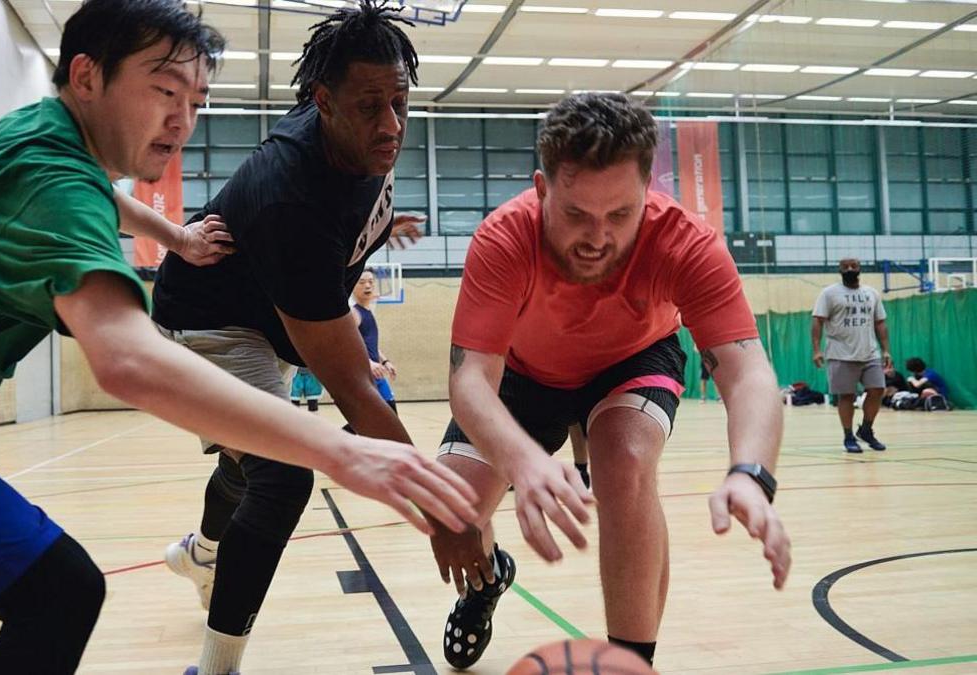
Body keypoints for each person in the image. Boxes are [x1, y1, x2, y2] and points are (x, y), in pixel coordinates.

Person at [0, 3, 477, 674]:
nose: (182, 120)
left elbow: (102, 196)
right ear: (87, 76)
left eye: (197, 100)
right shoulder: (57, 182)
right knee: (61, 591)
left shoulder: (44, 138)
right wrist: (346, 450)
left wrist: (172, 234)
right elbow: (126, 358)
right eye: (163, 90)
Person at [429, 93, 791, 670]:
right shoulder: (502, 239)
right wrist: (522, 460)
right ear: (542, 189)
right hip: (525, 374)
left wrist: (751, 475)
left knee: (624, 464)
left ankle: (631, 660)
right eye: (577, 214)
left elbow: (748, 371)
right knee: (450, 514)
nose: (598, 236)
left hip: (632, 360)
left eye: (620, 215)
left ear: (648, 192)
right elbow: (471, 377)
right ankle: (487, 580)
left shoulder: (687, 244)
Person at [147, 3, 435, 673]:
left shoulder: (365, 130)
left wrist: (388, 227)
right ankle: (215, 667)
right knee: (282, 471)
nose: (391, 125)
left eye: (401, 102)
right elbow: (358, 396)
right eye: (371, 107)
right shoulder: (290, 197)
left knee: (242, 457)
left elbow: (349, 215)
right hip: (208, 320)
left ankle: (203, 554)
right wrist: (446, 509)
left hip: (265, 314)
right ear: (322, 102)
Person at [812, 258, 892, 452]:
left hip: (870, 352)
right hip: (841, 353)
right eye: (845, 266)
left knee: (877, 390)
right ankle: (848, 436)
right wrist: (816, 350)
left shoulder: (871, 293)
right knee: (846, 396)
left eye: (853, 266)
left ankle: (866, 429)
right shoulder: (829, 293)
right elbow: (818, 321)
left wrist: (886, 349)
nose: (849, 269)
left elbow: (880, 322)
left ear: (860, 269)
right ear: (839, 270)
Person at [352, 267, 400, 412]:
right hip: (363, 375)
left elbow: (370, 344)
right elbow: (348, 346)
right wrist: (368, 363)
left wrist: (385, 361)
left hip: (376, 373)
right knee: (371, 419)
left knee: (388, 414)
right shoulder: (354, 313)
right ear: (353, 286)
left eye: (371, 282)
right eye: (361, 282)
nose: (367, 286)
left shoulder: (368, 311)